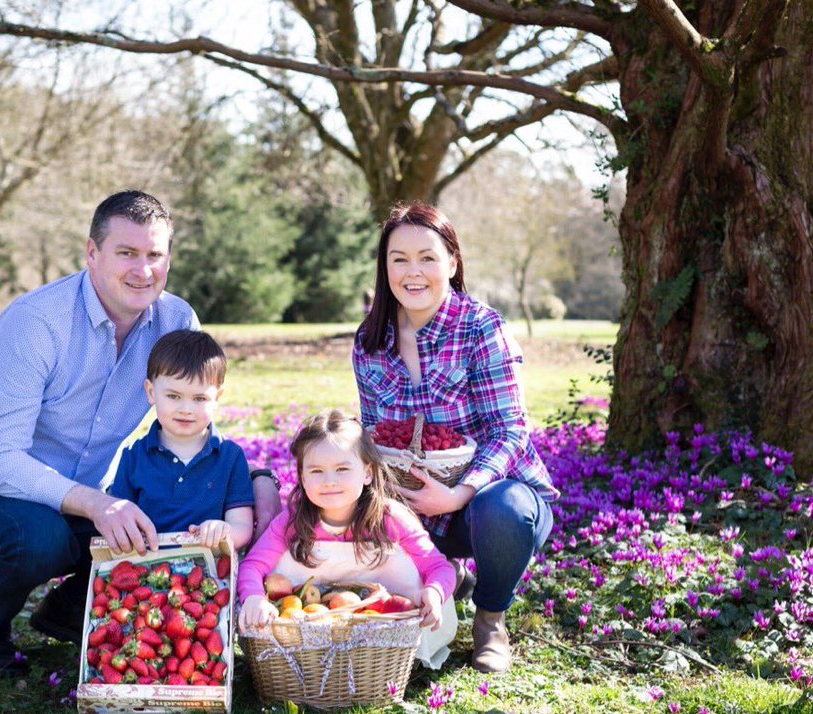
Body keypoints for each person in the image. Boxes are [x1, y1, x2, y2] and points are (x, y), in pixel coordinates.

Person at [0, 190, 280, 671]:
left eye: (155, 255)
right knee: (41, 535)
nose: (143, 270)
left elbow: (192, 427)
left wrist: (252, 477)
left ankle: (70, 610)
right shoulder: (35, 324)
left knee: (166, 514)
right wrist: (98, 504)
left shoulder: (176, 321)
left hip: (85, 499)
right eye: (127, 253)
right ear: (92, 253)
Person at [352, 202, 558, 673]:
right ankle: (445, 579)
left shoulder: (481, 328)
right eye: (398, 259)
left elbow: (509, 431)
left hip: (485, 499)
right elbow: (373, 432)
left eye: (427, 257)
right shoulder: (370, 339)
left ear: (452, 262)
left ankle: (490, 619)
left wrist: (457, 494)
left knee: (504, 511)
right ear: (385, 268)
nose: (413, 272)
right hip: (411, 506)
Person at [237, 409, 457, 669]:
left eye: (342, 468)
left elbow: (438, 567)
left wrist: (434, 591)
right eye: (316, 471)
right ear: (302, 477)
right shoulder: (292, 522)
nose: (330, 481)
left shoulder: (390, 518)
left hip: (382, 624)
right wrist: (253, 597)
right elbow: (253, 565)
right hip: (309, 627)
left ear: (367, 473)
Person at [109, 329, 255, 549]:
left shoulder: (230, 456)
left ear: (217, 398)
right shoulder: (133, 457)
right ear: (151, 392)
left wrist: (224, 531)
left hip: (210, 573)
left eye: (199, 398)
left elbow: (242, 525)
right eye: (173, 396)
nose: (186, 409)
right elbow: (120, 522)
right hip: (145, 573)